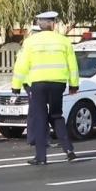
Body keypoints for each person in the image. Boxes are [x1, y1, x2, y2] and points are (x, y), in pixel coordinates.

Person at [11, 11, 79, 165]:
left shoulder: (30, 42)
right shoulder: (64, 41)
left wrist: (16, 86)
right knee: (56, 115)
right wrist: (74, 84)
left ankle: (41, 157)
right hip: (58, 83)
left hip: (38, 84)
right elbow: (73, 65)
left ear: (39, 25)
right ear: (53, 24)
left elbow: (21, 65)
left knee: (40, 118)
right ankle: (69, 151)